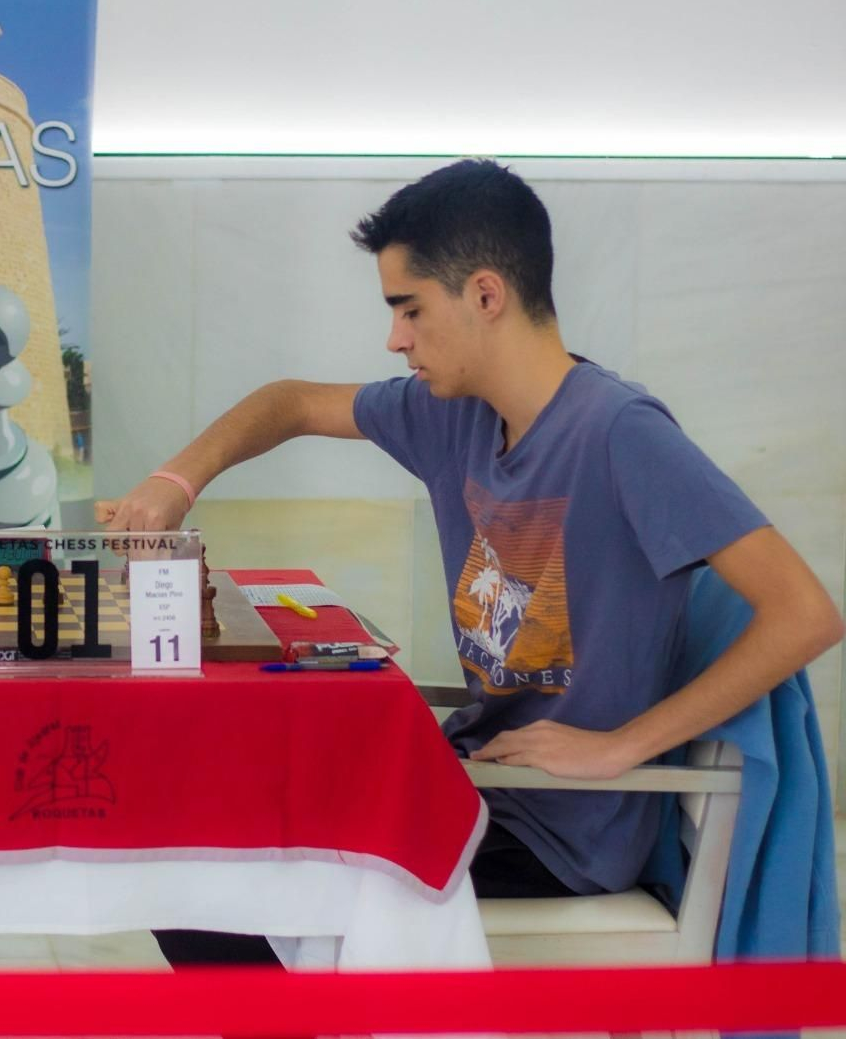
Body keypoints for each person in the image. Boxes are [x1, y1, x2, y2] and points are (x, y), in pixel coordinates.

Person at [102, 159, 843, 950]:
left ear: (486, 294)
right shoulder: (449, 414)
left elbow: (805, 613)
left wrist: (622, 746)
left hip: (555, 834)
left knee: (211, 894)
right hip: (475, 783)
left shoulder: (620, 433)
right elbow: (288, 401)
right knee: (189, 838)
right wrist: (177, 480)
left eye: (410, 309)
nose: (395, 339)